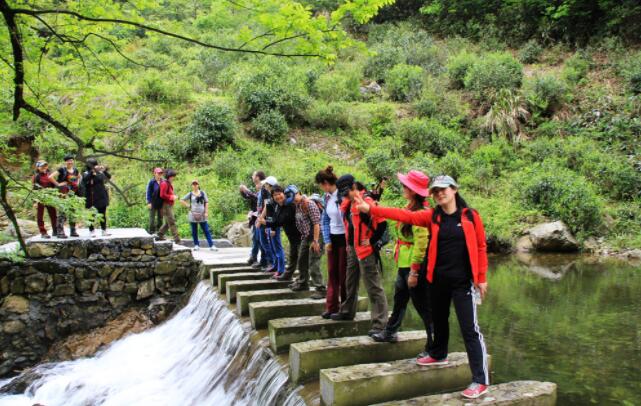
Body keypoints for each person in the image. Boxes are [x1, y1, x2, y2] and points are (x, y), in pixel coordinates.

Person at [354, 175, 490, 399]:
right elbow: (403, 215)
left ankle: (480, 380)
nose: (440, 193)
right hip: (437, 281)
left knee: (469, 329)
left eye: (444, 189)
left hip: (462, 283)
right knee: (439, 321)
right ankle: (438, 354)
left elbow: (481, 246)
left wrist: (481, 278)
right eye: (435, 191)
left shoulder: (469, 216)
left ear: (454, 190)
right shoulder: (433, 216)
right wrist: (371, 209)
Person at [372, 171, 432, 352]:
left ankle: (433, 344)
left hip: (415, 267)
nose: (403, 188)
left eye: (405, 186)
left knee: (423, 306)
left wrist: (414, 271)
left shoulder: (421, 213)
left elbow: (421, 245)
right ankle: (390, 332)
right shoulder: (409, 208)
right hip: (403, 264)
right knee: (399, 300)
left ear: (413, 191)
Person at [330, 174, 388, 338]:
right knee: (350, 281)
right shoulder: (349, 203)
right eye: (342, 193)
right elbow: (350, 226)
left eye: (346, 192)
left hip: (366, 250)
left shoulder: (366, 201)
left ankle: (380, 324)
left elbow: (382, 223)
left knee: (373, 286)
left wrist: (371, 241)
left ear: (353, 187)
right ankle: (347, 311)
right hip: (353, 248)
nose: (345, 196)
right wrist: (349, 246)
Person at [316, 166, 347, 319]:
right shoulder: (326, 197)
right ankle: (331, 307)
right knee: (332, 273)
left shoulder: (343, 195)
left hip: (345, 239)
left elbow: (349, 220)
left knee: (343, 275)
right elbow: (325, 220)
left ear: (326, 183)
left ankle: (345, 308)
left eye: (321, 185)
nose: (321, 188)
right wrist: (327, 240)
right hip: (333, 239)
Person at [290, 188, 326, 299]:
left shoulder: (309, 204)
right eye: (291, 199)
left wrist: (316, 241)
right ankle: (303, 283)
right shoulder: (298, 206)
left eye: (294, 196)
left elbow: (316, 224)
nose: (293, 200)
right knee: (301, 260)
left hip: (317, 236)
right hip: (306, 236)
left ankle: (321, 289)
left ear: (299, 193)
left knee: (313, 262)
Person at [262, 185, 300, 281]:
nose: (278, 196)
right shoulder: (279, 206)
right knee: (293, 256)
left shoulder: (290, 205)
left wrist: (266, 223)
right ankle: (288, 275)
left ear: (284, 194)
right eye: (275, 195)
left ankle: (302, 280)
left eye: (279, 194)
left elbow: (282, 220)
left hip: (300, 235)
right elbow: (276, 219)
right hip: (292, 236)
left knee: (301, 258)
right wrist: (272, 227)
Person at [49, 154, 81, 238]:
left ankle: (73, 231)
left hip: (72, 193)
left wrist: (77, 184)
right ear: (65, 162)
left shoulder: (75, 170)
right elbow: (50, 177)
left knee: (72, 211)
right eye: (68, 161)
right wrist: (58, 184)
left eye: (71, 160)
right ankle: (60, 232)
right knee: (62, 211)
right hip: (63, 193)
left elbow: (79, 177)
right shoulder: (62, 169)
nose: (70, 162)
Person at [180, 180, 218, 251]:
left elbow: (206, 202)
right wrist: (188, 205)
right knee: (194, 231)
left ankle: (211, 245)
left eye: (196, 184)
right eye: (193, 184)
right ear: (192, 186)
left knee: (206, 230)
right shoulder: (190, 194)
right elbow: (181, 200)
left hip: (202, 214)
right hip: (193, 214)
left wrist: (206, 212)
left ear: (198, 185)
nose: (195, 186)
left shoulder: (203, 193)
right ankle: (196, 245)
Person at [240, 171, 267, 267]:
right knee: (256, 238)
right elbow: (250, 198)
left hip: (262, 218)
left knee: (260, 239)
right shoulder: (258, 187)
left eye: (253, 175)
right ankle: (254, 257)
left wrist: (246, 190)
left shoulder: (264, 187)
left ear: (258, 177)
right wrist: (242, 191)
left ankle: (263, 260)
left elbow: (256, 198)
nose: (252, 176)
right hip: (256, 217)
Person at [80, 158, 111, 237]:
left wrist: (104, 171)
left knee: (102, 214)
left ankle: (104, 230)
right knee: (91, 215)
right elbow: (85, 180)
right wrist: (92, 172)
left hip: (101, 196)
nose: (94, 166)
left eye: (95, 165)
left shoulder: (100, 172)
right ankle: (91, 231)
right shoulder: (86, 173)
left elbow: (108, 177)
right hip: (91, 197)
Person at [256, 176, 279, 273]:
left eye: (266, 184)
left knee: (267, 242)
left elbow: (268, 208)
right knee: (268, 243)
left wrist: (261, 219)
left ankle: (272, 263)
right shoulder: (269, 193)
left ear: (269, 185)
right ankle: (273, 263)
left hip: (269, 222)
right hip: (267, 221)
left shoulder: (271, 194)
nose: (264, 185)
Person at [32, 160, 58, 239]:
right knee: (40, 216)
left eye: (45, 166)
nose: (44, 167)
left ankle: (55, 230)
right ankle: (43, 232)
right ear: (38, 167)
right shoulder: (36, 176)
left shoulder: (50, 175)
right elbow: (34, 189)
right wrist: (35, 201)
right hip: (40, 198)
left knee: (53, 215)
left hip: (50, 198)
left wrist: (56, 196)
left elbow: (54, 186)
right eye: (42, 166)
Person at [155, 169, 181, 244]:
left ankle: (159, 235)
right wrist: (171, 197)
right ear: (169, 176)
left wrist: (173, 196)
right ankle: (177, 240)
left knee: (167, 222)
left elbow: (167, 194)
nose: (174, 178)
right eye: (173, 176)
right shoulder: (164, 183)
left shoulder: (168, 184)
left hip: (168, 205)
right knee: (172, 221)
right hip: (165, 205)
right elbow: (162, 195)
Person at [146, 168, 164, 235]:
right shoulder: (151, 182)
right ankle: (151, 232)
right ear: (154, 173)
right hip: (153, 202)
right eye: (158, 173)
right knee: (152, 219)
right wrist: (149, 202)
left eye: (160, 173)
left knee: (160, 218)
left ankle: (159, 232)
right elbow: (148, 192)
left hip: (161, 202)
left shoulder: (163, 181)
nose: (159, 174)